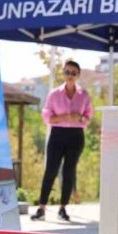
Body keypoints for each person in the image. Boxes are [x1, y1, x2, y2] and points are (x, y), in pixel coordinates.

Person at [31, 60, 93, 222]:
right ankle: (42, 208)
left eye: (73, 73)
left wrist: (79, 118)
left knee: (69, 172)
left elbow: (88, 118)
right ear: (63, 73)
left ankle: (63, 208)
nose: (70, 75)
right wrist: (64, 117)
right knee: (50, 170)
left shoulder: (84, 95)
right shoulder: (54, 94)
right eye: (67, 72)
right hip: (57, 134)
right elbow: (47, 117)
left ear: (78, 75)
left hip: (76, 135)